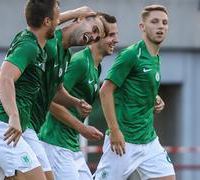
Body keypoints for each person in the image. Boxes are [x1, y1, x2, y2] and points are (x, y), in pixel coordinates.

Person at [0, 1, 60, 180]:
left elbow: (1, 72)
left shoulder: (31, 40)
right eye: (58, 15)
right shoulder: (29, 46)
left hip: (1, 126)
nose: (60, 20)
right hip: (3, 127)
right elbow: (4, 77)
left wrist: (78, 13)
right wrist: (14, 116)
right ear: (47, 21)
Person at [94, 5, 176, 180]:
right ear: (142, 27)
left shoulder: (156, 57)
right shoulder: (131, 54)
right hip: (124, 141)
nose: (160, 26)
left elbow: (138, 85)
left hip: (149, 140)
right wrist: (114, 130)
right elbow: (105, 91)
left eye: (164, 23)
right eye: (154, 22)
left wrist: (155, 98)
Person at [23, 7, 105, 180]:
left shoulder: (66, 55)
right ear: (80, 19)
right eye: (94, 30)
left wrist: (76, 102)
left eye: (97, 37)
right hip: (35, 133)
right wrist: (76, 12)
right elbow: (39, 24)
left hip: (49, 137)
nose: (93, 37)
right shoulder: (52, 42)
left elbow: (55, 93)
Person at [38, 13, 118, 180]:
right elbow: (51, 101)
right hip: (55, 144)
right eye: (111, 35)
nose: (115, 40)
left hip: (71, 146)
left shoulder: (97, 68)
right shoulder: (80, 62)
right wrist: (82, 128)